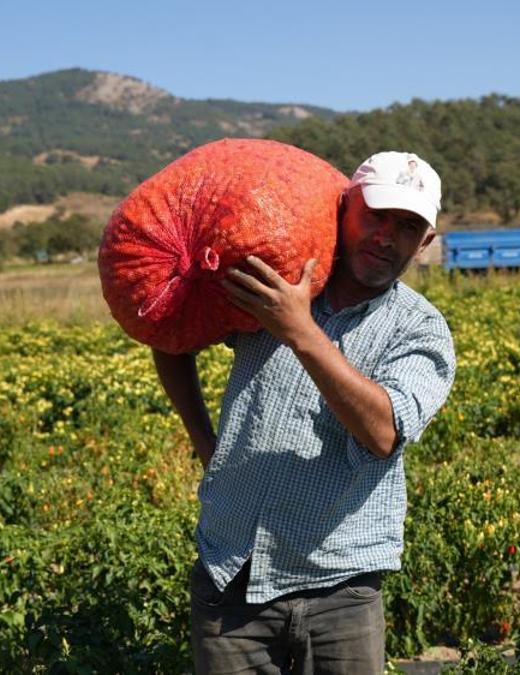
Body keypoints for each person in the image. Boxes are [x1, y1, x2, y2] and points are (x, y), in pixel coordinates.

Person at [152, 151, 456, 673]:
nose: (386, 237)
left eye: (407, 227)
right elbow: (169, 332)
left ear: (424, 242)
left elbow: (383, 433)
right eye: (375, 216)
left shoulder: (420, 330)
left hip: (342, 587)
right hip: (232, 572)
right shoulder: (271, 281)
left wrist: (299, 331)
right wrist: (207, 445)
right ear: (343, 207)